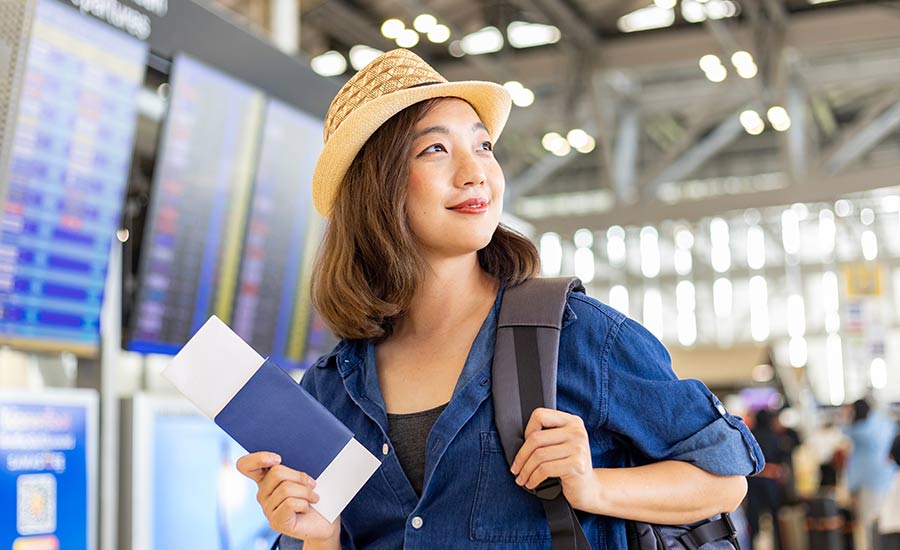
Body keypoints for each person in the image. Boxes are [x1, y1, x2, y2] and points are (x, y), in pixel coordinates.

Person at [236, 48, 764, 549]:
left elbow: (723, 477)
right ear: (376, 188)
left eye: (483, 146)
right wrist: (318, 537)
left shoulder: (577, 336)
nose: (477, 173)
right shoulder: (332, 389)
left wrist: (593, 487)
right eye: (436, 149)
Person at [843, 398, 898, 550]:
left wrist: (847, 415)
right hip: (888, 479)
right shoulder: (885, 422)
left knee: (868, 526)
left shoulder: (861, 429)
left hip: (869, 483)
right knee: (886, 523)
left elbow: (844, 430)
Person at [746, 408, 793, 550]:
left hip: (753, 480)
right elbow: (784, 456)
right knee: (775, 517)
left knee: (753, 518)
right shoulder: (775, 436)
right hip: (771, 480)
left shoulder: (750, 436)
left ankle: (752, 545)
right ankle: (779, 546)